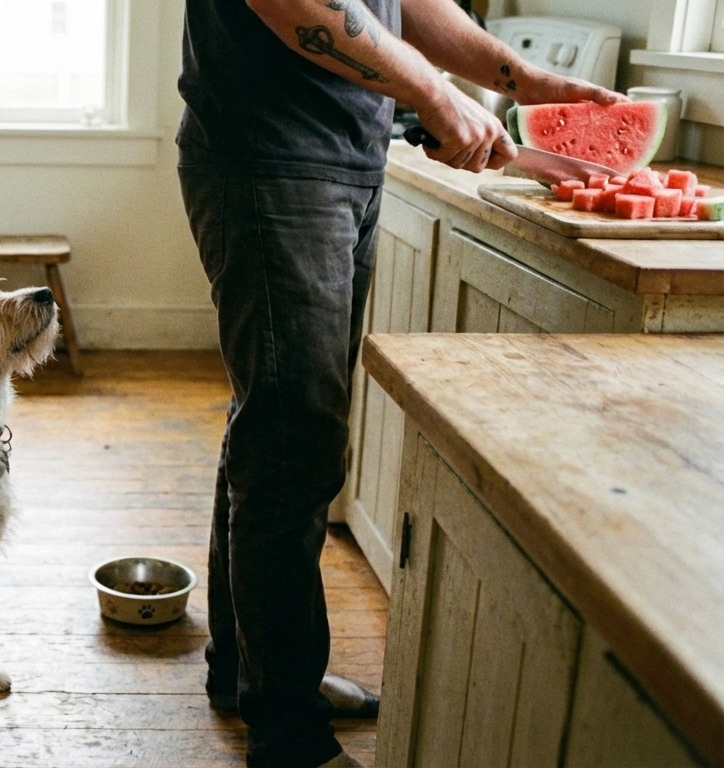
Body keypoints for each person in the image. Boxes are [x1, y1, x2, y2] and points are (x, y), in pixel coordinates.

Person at [174, 1, 624, 766]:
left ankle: (249, 673)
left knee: (277, 429)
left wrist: (524, 79)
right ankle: (287, 734)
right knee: (292, 450)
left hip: (342, 158)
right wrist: (438, 96)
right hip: (272, 158)